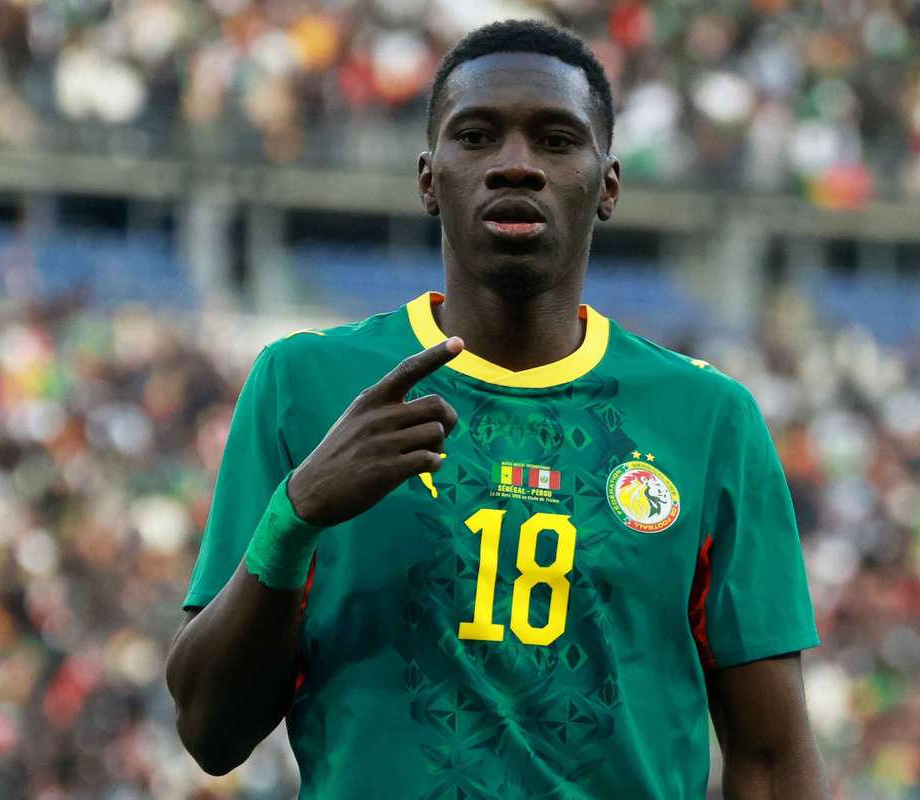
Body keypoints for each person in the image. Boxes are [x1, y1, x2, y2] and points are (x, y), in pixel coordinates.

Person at [165, 19, 826, 799]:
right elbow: (210, 734)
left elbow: (774, 761)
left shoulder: (709, 419)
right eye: (476, 137)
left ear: (607, 183)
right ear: (427, 176)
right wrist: (296, 515)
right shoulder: (303, 383)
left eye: (555, 140)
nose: (516, 166)